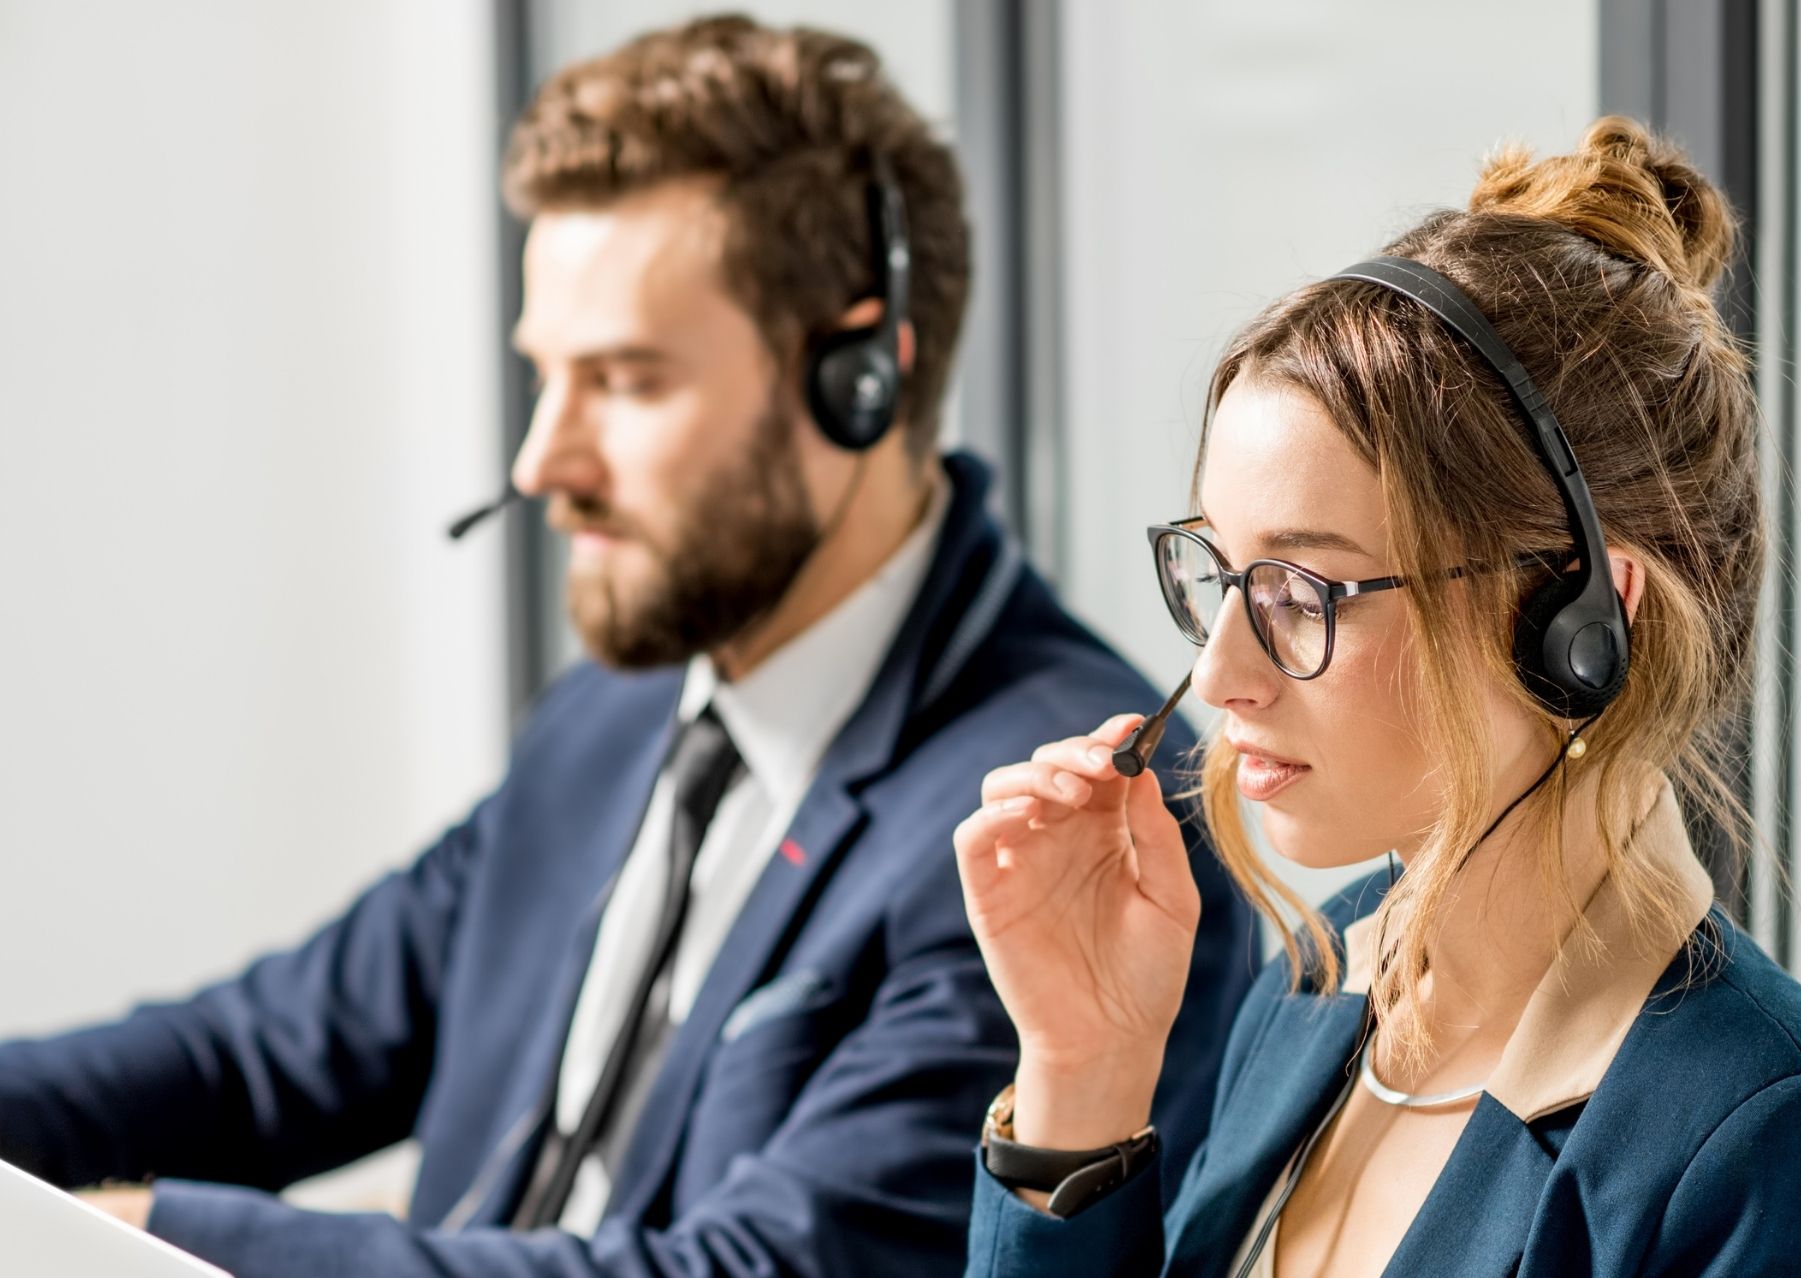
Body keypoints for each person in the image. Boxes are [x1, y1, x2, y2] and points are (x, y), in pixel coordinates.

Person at [0, 17, 1251, 1277]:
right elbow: (257, 1055)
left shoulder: (1063, 820)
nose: (543, 461)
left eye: (628, 381)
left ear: (859, 377)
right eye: (547, 377)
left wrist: (154, 1238)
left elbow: (765, 1271)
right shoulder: (616, 716)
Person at [957, 117, 1801, 1276]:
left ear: (1578, 621)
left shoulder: (1774, 1134)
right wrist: (1083, 1071)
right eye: (1219, 572)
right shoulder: (1310, 998)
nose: (1217, 673)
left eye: (1302, 590)